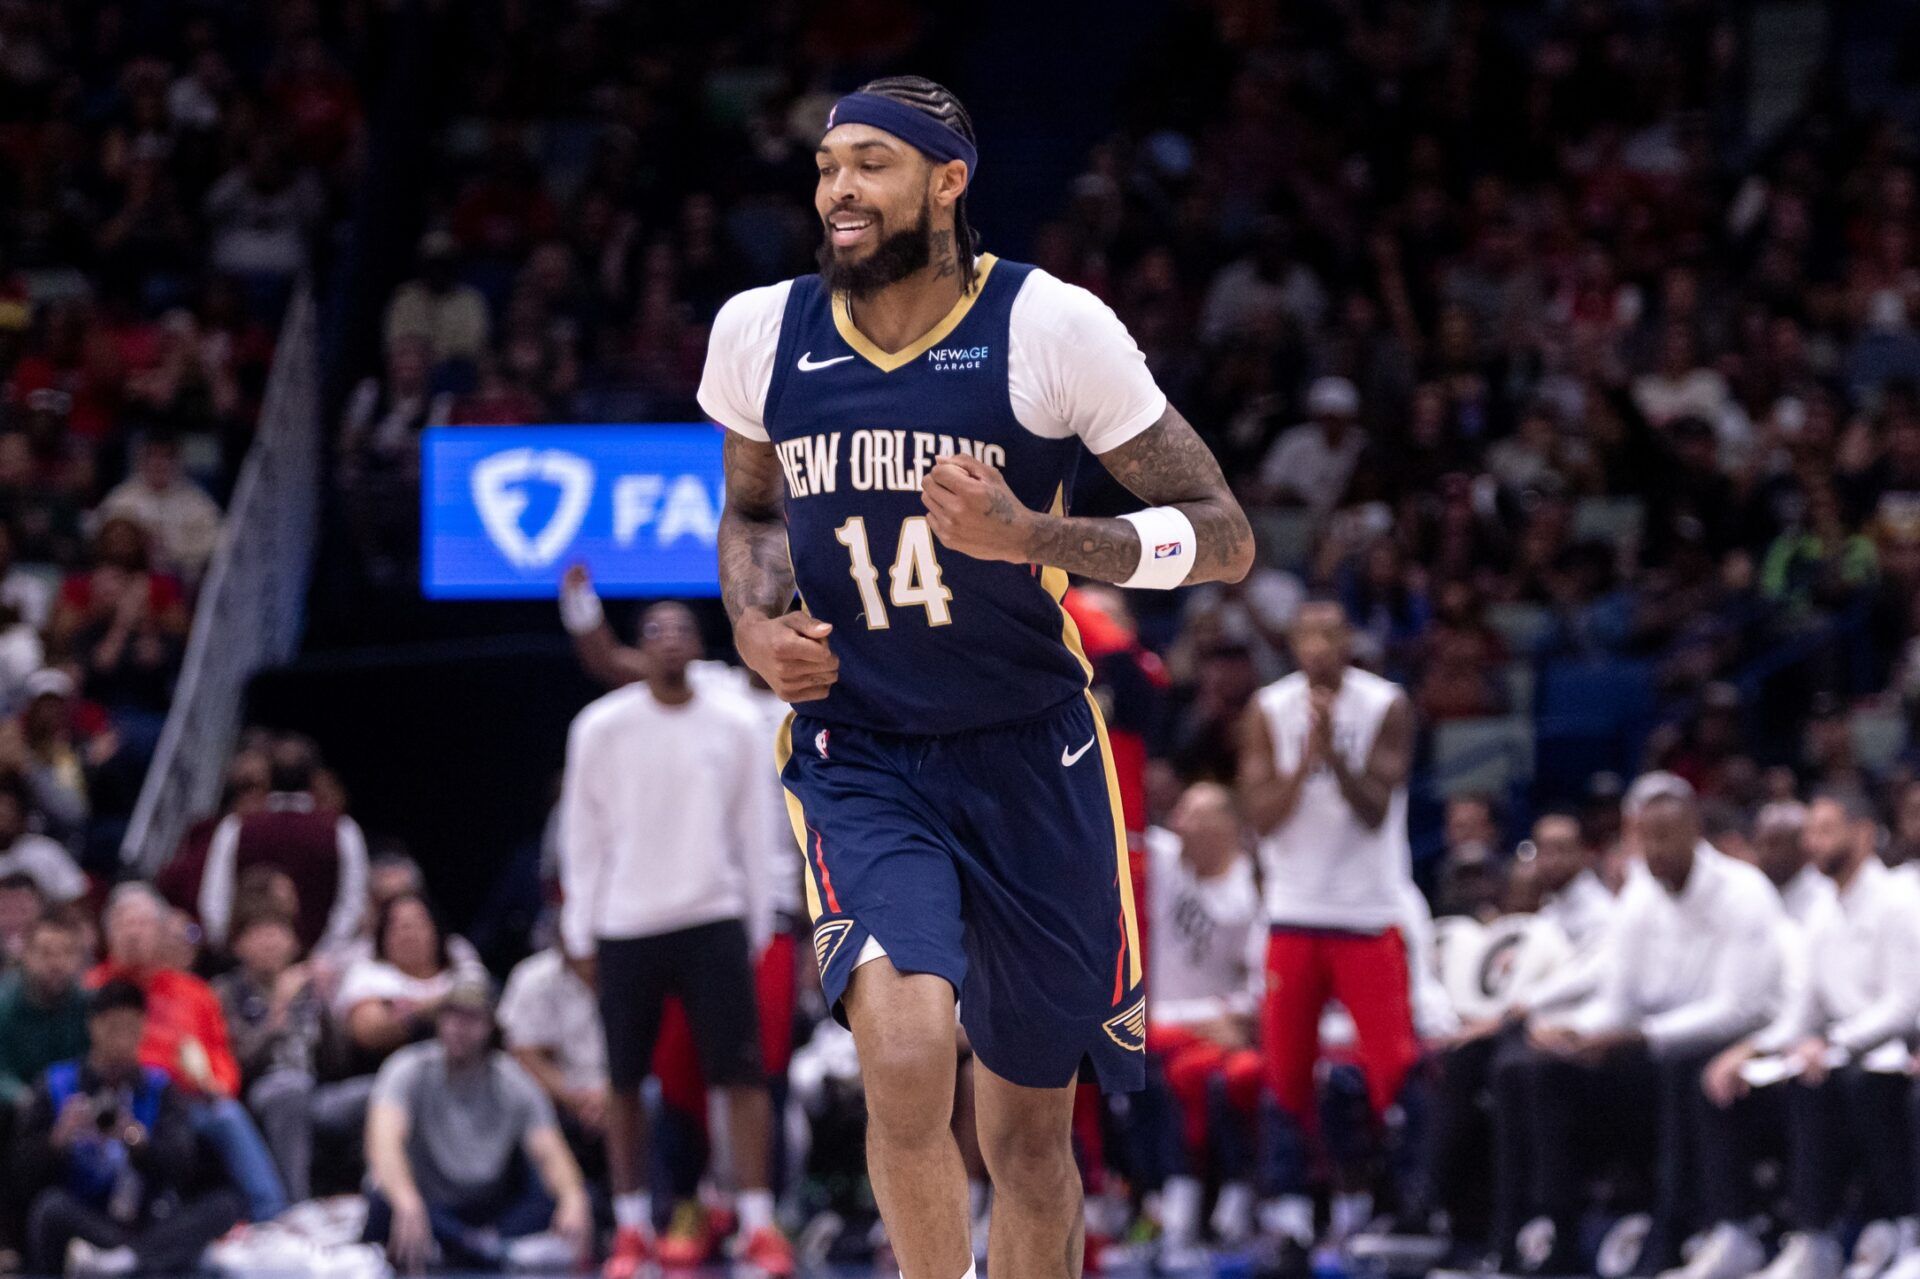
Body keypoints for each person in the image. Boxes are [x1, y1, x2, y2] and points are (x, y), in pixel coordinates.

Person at [704, 75, 1251, 1279]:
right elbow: (750, 515)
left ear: (948, 182)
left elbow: (1220, 532)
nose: (839, 190)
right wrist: (751, 626)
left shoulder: (1053, 328)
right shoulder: (760, 330)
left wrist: (1043, 537)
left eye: (872, 165)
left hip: (1033, 753)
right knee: (901, 1054)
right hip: (864, 750)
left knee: (1029, 1137)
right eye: (829, 165)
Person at [559, 601, 785, 1274]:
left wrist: (754, 922)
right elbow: (582, 832)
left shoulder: (736, 718)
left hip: (714, 917)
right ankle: (631, 1227)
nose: (668, 641)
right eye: (654, 632)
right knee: (625, 1079)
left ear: (699, 645)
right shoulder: (600, 726)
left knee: (742, 1076)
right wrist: (580, 927)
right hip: (626, 923)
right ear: (640, 646)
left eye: (681, 629)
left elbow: (752, 828)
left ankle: (757, 1222)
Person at [1492, 780, 1785, 1277]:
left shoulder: (1743, 891)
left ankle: (1676, 1233)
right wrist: (1574, 1033)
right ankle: (1546, 1232)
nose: (1654, 852)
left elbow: (1739, 1009)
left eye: (1665, 837)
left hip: (1732, 1046)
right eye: (1645, 840)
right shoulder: (1640, 896)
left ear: (1695, 830)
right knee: (1535, 1070)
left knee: (1680, 1066)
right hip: (1649, 1046)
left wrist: (1637, 1036)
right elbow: (1618, 1001)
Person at [1237, 598, 1420, 1261]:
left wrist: (1337, 753)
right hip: (1293, 910)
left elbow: (1376, 807)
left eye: (1331, 633)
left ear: (1349, 641)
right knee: (1284, 1070)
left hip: (1367, 911)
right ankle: (1290, 1211)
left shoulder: (1386, 704)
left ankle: (1392, 1202)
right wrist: (1305, 754)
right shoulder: (1267, 708)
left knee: (1391, 1067)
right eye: (1308, 635)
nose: (1319, 646)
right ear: (1292, 644)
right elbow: (1261, 815)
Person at [1674, 794, 1920, 1279]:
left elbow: (1905, 1005)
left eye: (1826, 830)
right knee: (1722, 1081)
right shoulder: (1822, 913)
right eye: (1811, 832)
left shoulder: (1900, 900)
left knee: (1846, 1084)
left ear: (1864, 834)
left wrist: (1835, 1044)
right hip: (1840, 1054)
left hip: (1892, 1050)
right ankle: (1760, 1233)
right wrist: (1751, 1049)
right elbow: (1801, 1013)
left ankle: (1909, 1230)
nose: (1813, 842)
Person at [14, 980, 243, 1277]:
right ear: (93, 1026)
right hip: (85, 1220)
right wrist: (57, 1141)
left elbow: (182, 1164)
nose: (122, 1039)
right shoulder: (57, 1084)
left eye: (132, 1029)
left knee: (224, 1204)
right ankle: (143, 1262)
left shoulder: (160, 1088)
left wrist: (136, 1140)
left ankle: (128, 1261)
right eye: (113, 1028)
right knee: (49, 1208)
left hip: (146, 1221)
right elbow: (18, 1174)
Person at [362, 978, 592, 1272]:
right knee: (384, 1199)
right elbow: (383, 1141)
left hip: (488, 1205)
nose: (459, 1027)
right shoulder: (407, 1069)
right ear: (439, 1021)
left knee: (573, 1196)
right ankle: (481, 1249)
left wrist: (573, 1198)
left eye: (471, 1018)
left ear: (489, 1026)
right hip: (425, 1203)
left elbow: (549, 1150)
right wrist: (406, 1199)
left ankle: (472, 1246)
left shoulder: (512, 1080)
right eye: (452, 1016)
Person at [88, 883, 287, 1223]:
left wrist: (217, 1083)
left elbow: (220, 1056)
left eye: (143, 923)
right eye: (124, 922)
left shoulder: (194, 993)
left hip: (186, 1102)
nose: (134, 932)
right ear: (108, 934)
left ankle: (272, 1217)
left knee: (226, 1113)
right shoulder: (91, 989)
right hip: (121, 1098)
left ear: (163, 934)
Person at [1141, 783, 1262, 1266]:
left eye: (1191, 815)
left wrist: (1234, 1017)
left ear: (1223, 827)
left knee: (1203, 1080)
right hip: (1164, 1023)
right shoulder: (1168, 861)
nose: (1177, 823)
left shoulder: (1249, 891)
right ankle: (1155, 1202)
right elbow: (1125, 823)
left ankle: (1205, 1203)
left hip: (1217, 1033)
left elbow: (1259, 984)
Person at [214, 906, 370, 1203]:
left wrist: (326, 1004)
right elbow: (236, 1063)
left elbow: (338, 1062)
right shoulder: (227, 991)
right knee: (289, 1090)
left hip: (316, 1094)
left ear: (294, 943)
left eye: (277, 934)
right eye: (258, 934)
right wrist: (279, 1012)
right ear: (239, 945)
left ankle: (373, 1200)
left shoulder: (308, 988)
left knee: (382, 1089)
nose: (270, 942)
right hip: (261, 1096)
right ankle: (295, 1206)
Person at [197, 734, 369, 954]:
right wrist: (324, 953)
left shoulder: (236, 827)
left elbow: (215, 899)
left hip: (250, 959)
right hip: (319, 962)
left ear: (267, 777)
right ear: (314, 778)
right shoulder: (342, 830)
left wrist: (232, 949)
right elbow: (352, 903)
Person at [332, 890, 486, 1076]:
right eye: (398, 926)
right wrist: (439, 1005)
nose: (408, 933)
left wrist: (406, 1011)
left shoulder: (463, 968)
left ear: (436, 929)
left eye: (417, 924)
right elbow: (369, 1031)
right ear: (382, 936)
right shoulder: (368, 975)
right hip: (385, 1077)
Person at [496, 943, 608, 1156]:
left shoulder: (636, 967)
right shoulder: (533, 977)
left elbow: (654, 1042)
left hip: (625, 1088)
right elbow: (523, 1053)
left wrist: (612, 1094)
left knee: (655, 1097)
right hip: (560, 1095)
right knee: (525, 1099)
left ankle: (645, 1189)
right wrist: (574, 1097)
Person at [93, 433, 222, 583]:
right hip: (126, 579)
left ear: (177, 462)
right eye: (152, 457)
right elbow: (101, 538)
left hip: (181, 580)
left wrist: (173, 554)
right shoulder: (121, 498)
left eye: (165, 457)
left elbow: (217, 544)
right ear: (141, 461)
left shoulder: (198, 503)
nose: (158, 463)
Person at [0, 773, 86, 904]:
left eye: (8, 813)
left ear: (21, 816)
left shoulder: (45, 851)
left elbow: (74, 900)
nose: (3, 821)